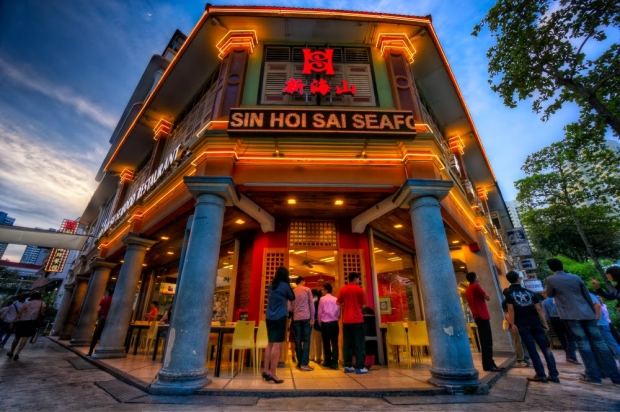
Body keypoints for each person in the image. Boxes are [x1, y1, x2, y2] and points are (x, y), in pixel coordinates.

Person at [545, 258, 620, 386]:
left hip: (571, 315)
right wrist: (592, 312)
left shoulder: (551, 279)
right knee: (600, 343)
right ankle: (616, 378)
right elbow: (586, 294)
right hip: (587, 313)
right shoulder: (575, 277)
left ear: (551, 268)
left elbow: (550, 294)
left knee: (583, 344)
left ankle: (593, 376)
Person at [504, 271, 559, 383]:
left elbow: (511, 309)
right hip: (535, 322)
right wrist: (545, 323)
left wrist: (513, 324)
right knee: (545, 348)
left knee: (532, 349)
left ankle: (541, 374)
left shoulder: (509, 293)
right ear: (518, 279)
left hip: (522, 324)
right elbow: (539, 309)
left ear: (508, 280)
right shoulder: (530, 292)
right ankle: (553, 374)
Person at [263, 266, 295, 384]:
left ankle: (265, 370)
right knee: (277, 345)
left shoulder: (271, 285)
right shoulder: (285, 285)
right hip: (280, 316)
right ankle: (273, 373)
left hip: (269, 317)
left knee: (270, 343)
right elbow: (292, 297)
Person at [465, 272, 502, 372]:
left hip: (477, 316)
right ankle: (488, 364)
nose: (478, 277)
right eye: (477, 276)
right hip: (482, 316)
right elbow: (487, 297)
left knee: (484, 341)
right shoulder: (476, 287)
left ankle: (489, 363)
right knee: (487, 341)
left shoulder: (468, 289)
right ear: (474, 278)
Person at [337, 272, 368, 374]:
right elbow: (364, 305)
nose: (358, 280)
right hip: (357, 320)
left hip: (346, 320)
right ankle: (360, 366)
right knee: (359, 343)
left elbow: (338, 302)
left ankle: (348, 366)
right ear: (355, 279)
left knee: (347, 343)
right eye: (358, 279)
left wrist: (345, 307)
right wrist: (357, 309)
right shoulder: (360, 290)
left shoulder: (343, 289)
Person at [541, 291, 580, 364]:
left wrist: (547, 323)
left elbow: (546, 315)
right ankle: (571, 355)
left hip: (553, 319)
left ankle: (568, 354)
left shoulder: (544, 302)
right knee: (570, 337)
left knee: (561, 337)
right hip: (564, 317)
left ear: (546, 294)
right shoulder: (559, 298)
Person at [7, 292, 46, 361]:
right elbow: (42, 313)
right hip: (32, 322)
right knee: (25, 337)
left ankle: (11, 352)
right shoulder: (42, 304)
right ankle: (17, 353)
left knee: (17, 337)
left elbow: (20, 313)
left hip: (22, 321)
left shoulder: (28, 303)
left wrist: (13, 321)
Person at [290, 276, 315, 371]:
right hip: (306, 317)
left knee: (298, 340)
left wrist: (296, 309)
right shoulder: (307, 290)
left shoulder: (293, 291)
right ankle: (304, 363)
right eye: (304, 281)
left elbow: (289, 307)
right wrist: (312, 317)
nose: (305, 283)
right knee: (307, 340)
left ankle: (300, 363)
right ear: (301, 281)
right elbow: (311, 304)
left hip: (296, 318)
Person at [501, 298, 530, 368]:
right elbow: (507, 313)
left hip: (518, 323)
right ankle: (521, 359)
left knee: (520, 341)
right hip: (516, 323)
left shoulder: (510, 300)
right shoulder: (508, 301)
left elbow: (506, 313)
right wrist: (512, 324)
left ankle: (524, 358)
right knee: (519, 341)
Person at [318, 282, 340, 370]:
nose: (322, 291)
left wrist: (319, 322)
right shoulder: (336, 299)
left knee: (326, 343)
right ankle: (335, 362)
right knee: (334, 343)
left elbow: (320, 312)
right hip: (334, 323)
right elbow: (338, 312)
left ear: (326, 290)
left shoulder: (322, 299)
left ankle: (327, 361)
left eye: (322, 289)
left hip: (325, 324)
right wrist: (336, 318)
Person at [593, 294, 620, 362]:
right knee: (610, 342)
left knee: (613, 341)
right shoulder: (598, 306)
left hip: (606, 324)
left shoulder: (604, 306)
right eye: (597, 298)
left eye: (600, 297)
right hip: (604, 324)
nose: (599, 299)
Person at [87, 290, 113, 356]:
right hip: (111, 320)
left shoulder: (104, 300)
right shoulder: (114, 301)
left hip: (103, 318)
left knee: (97, 334)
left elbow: (98, 309)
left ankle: (90, 351)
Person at [309, 289, 323, 364]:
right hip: (324, 322)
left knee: (314, 340)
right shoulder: (320, 301)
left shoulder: (315, 302)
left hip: (315, 322)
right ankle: (321, 357)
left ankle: (313, 356)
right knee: (322, 342)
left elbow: (313, 313)